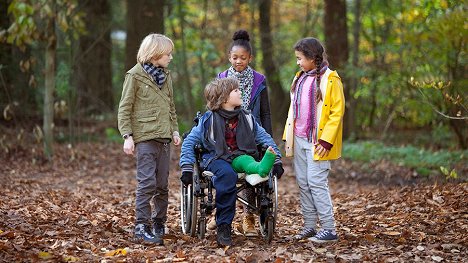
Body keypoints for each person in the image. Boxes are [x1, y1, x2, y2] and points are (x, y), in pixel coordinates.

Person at [179, 78, 283, 246]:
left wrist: (277, 160)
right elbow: (189, 142)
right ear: (224, 98)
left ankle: (263, 167)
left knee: (251, 164)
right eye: (236, 91)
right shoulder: (208, 120)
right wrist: (186, 168)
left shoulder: (247, 118)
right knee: (227, 175)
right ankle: (224, 226)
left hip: (242, 156)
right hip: (217, 158)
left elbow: (265, 139)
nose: (240, 92)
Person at [117, 33, 181, 246]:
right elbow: (125, 108)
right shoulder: (134, 76)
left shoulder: (166, 76)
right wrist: (127, 136)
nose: (170, 57)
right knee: (147, 183)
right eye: (168, 54)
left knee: (162, 184)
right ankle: (141, 226)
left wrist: (174, 130)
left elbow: (170, 105)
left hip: (164, 139)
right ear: (155, 54)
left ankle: (159, 222)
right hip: (145, 138)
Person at [217, 29, 280, 237]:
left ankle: (249, 216)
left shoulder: (259, 80)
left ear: (250, 58)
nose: (238, 61)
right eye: (234, 57)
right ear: (229, 57)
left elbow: (265, 112)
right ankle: (219, 213)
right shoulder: (222, 78)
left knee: (252, 175)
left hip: (253, 133)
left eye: (243, 58)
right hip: (226, 134)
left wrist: (267, 141)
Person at [282, 37, 345, 243]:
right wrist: (287, 136)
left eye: (300, 58)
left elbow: (337, 112)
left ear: (312, 58)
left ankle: (329, 228)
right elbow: (294, 111)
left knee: (316, 183)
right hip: (299, 139)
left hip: (318, 142)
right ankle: (309, 226)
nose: (298, 62)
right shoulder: (299, 78)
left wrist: (326, 141)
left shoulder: (331, 79)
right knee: (303, 183)